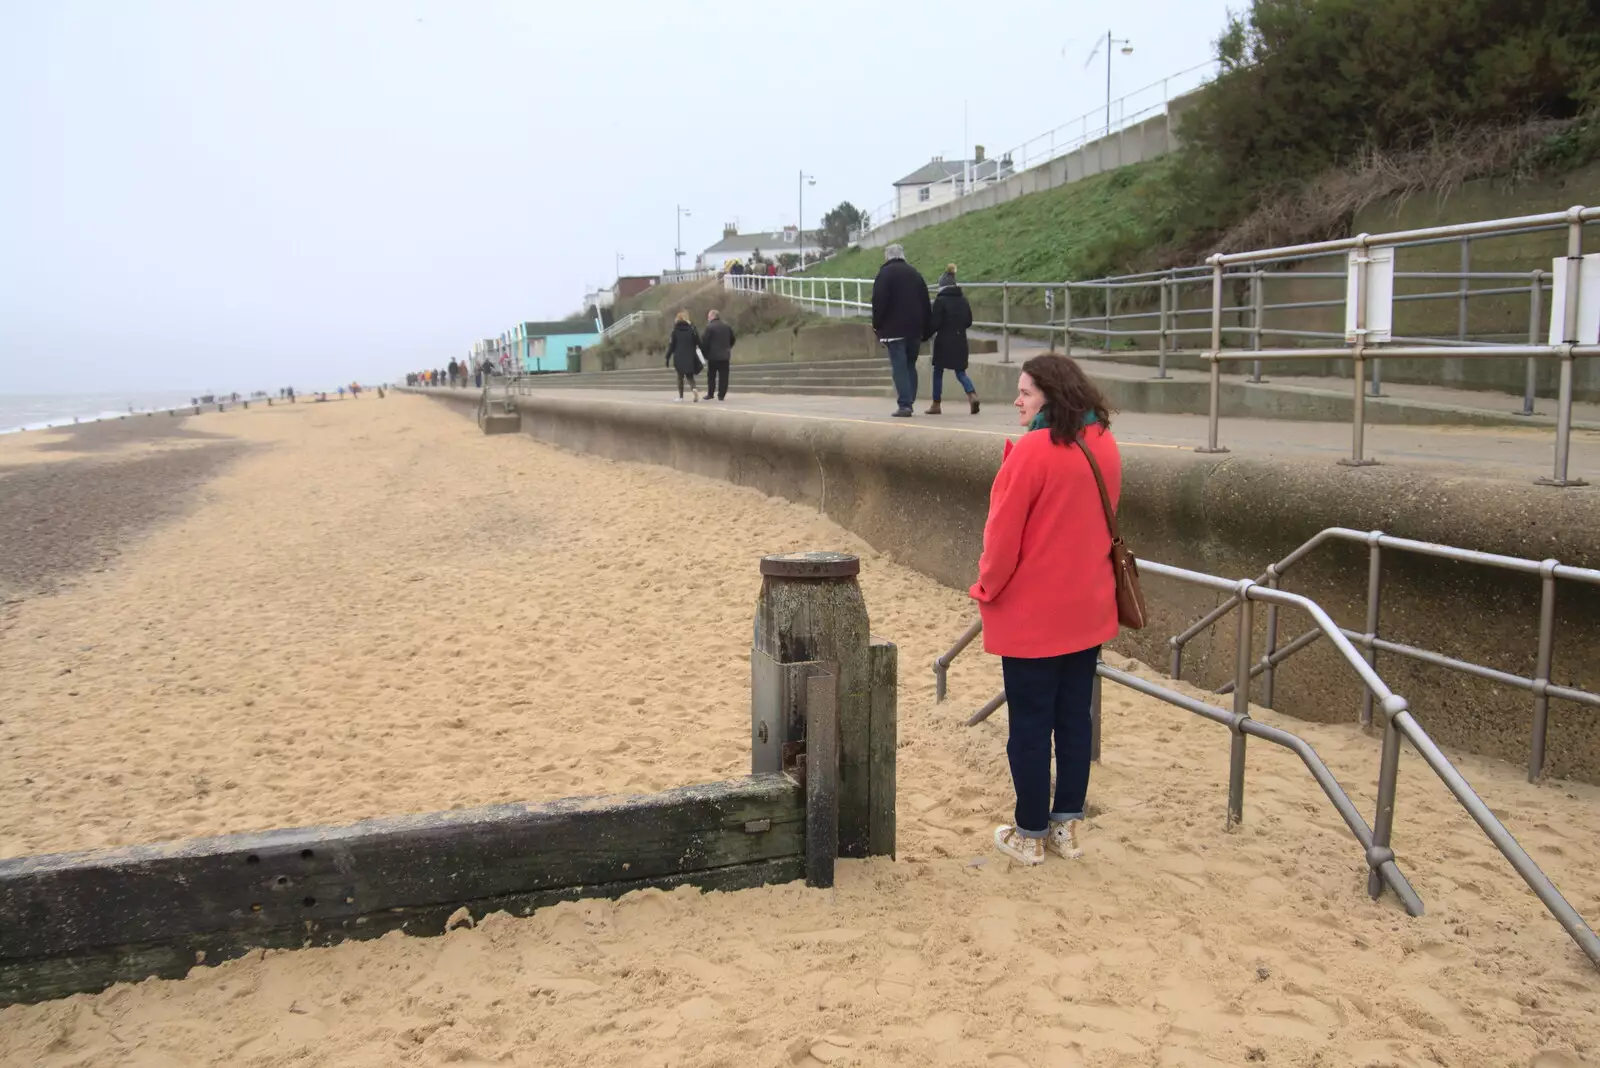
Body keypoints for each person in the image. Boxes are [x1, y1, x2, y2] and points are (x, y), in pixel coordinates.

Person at [970, 353, 1121, 866]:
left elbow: (1002, 540)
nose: (1016, 401)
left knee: (1030, 725)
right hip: (1088, 608)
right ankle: (1066, 829)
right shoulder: (1103, 442)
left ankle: (1029, 833)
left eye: (1026, 393)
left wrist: (986, 587)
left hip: (1036, 616)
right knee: (1074, 720)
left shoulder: (1033, 451)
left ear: (1051, 398)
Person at [871, 243, 933, 417]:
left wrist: (877, 324)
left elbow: (879, 303)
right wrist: (926, 329)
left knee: (899, 367)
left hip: (894, 330)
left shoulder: (884, 275)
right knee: (910, 365)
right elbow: (925, 303)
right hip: (915, 329)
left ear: (887, 257)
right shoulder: (915, 274)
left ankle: (905, 404)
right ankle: (909, 399)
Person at [927, 265, 980, 415]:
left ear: (942, 286)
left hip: (944, 341)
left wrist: (924, 335)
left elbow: (935, 324)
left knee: (938, 371)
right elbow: (968, 321)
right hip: (960, 340)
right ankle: (972, 395)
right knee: (960, 372)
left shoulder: (940, 301)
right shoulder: (963, 300)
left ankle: (936, 404)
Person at [664, 310, 702, 402]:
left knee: (680, 377)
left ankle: (681, 397)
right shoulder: (692, 329)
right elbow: (698, 342)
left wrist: (667, 357)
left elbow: (672, 346)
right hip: (690, 355)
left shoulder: (675, 331)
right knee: (690, 376)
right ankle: (694, 389)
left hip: (679, 357)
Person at [701, 309, 736, 401]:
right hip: (725, 355)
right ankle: (721, 395)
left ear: (712, 316)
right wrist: (728, 347)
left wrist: (705, 354)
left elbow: (705, 342)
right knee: (724, 376)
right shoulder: (727, 326)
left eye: (708, 317)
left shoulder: (709, 327)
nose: (708, 319)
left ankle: (710, 393)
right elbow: (732, 339)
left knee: (711, 376)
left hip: (713, 356)